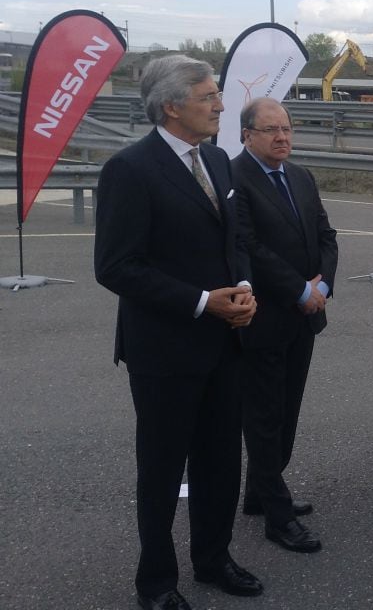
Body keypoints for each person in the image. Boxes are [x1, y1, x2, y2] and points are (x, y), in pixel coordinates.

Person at [94, 55, 261, 610]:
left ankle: (214, 559)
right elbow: (116, 266)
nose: (219, 104)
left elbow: (233, 237)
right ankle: (157, 582)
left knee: (219, 462)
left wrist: (240, 289)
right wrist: (199, 302)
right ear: (171, 105)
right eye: (209, 95)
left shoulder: (215, 159)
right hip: (165, 350)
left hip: (225, 341)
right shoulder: (131, 169)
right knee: (163, 469)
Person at [232, 97, 338, 554]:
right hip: (266, 318)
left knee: (287, 410)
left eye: (287, 128)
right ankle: (277, 514)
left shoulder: (301, 176)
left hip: (306, 316)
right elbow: (250, 246)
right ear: (246, 135)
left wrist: (324, 288)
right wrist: (299, 290)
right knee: (265, 416)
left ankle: (259, 493)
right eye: (270, 129)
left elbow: (326, 237)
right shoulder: (234, 178)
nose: (281, 137)